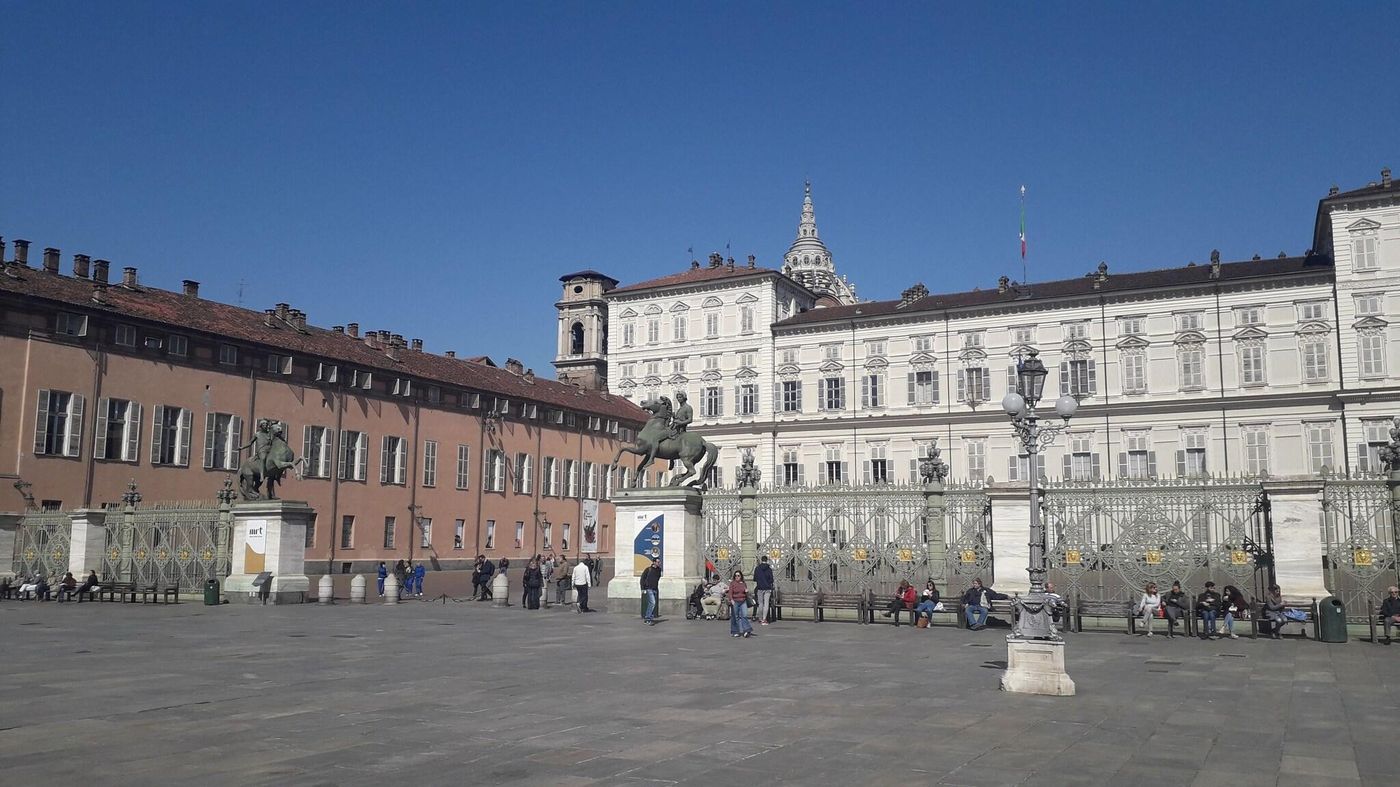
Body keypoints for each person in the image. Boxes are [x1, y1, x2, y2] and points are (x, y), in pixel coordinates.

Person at [728, 570, 754, 638]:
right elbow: (730, 593)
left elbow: (746, 593)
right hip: (735, 601)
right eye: (736, 575)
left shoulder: (743, 583)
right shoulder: (732, 583)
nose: (737, 577)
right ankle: (735, 631)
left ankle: (746, 630)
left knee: (744, 616)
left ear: (741, 576)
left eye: (738, 575)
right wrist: (731, 600)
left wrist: (747, 591)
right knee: (735, 617)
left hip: (743, 601)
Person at [753, 555, 775, 625]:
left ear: (761, 560)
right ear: (767, 560)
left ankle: (760, 618)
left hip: (759, 588)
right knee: (766, 604)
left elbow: (755, 579)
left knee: (760, 604)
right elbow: (771, 580)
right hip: (768, 588)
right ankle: (764, 619)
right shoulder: (769, 569)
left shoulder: (757, 568)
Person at [640, 558, 661, 625]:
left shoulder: (659, 570)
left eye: (659, 562)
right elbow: (642, 579)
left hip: (655, 588)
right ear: (654, 562)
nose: (658, 563)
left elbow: (658, 578)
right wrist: (642, 588)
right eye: (657, 562)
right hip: (649, 588)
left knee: (651, 604)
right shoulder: (648, 569)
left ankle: (649, 618)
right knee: (652, 603)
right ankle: (648, 618)